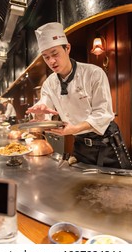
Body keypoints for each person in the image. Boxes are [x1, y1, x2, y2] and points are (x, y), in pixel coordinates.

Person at [26, 22, 132, 169]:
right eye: (46, 57)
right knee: (83, 189)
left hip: (106, 143)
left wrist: (75, 129)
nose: (51, 61)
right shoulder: (49, 84)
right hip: (80, 144)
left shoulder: (94, 73)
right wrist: (39, 116)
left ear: (67, 48)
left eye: (55, 54)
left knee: (118, 188)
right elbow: (45, 112)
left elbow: (103, 113)